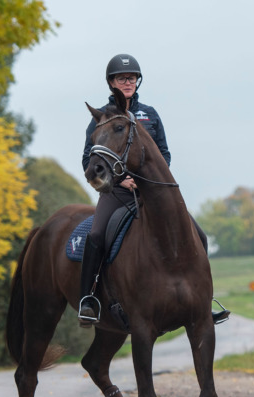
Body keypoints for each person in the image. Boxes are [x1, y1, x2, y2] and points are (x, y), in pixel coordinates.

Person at [79, 53, 228, 327]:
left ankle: (203, 302)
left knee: (200, 236)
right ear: (111, 82)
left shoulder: (150, 114)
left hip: (150, 194)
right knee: (97, 235)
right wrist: (121, 181)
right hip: (118, 194)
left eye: (132, 77)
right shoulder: (102, 116)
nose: (128, 82)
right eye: (122, 78)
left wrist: (147, 179)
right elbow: (89, 160)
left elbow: (165, 155)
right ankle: (88, 299)